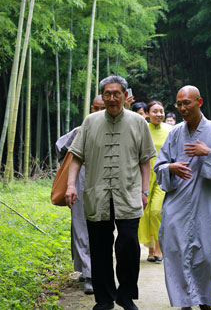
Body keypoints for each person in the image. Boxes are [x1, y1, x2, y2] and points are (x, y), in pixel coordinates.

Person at [65, 75, 157, 310]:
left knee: (128, 245)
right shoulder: (90, 121)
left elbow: (145, 160)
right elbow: (76, 156)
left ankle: (125, 296)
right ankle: (104, 299)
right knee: (99, 247)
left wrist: (145, 190)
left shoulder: (138, 122)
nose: (112, 98)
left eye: (117, 93)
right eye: (108, 94)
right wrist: (71, 185)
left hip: (128, 194)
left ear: (126, 96)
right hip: (97, 194)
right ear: (103, 97)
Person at [154, 85, 211, 310]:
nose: (182, 108)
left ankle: (205, 302)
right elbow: (159, 167)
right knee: (176, 254)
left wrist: (208, 154)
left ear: (199, 102)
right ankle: (184, 303)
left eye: (187, 103)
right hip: (177, 205)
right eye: (179, 104)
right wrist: (170, 167)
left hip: (205, 204)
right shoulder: (175, 133)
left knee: (208, 255)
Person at [55, 95, 105, 295]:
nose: (100, 111)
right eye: (97, 107)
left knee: (101, 229)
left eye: (104, 108)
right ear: (92, 107)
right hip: (79, 185)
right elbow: (61, 147)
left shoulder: (114, 131)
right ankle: (89, 274)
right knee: (81, 228)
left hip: (104, 186)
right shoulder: (80, 130)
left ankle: (92, 270)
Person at [138, 100, 171, 262]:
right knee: (144, 213)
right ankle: (150, 250)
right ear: (147, 113)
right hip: (144, 176)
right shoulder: (142, 128)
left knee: (156, 211)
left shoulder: (170, 130)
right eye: (155, 111)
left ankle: (159, 248)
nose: (159, 114)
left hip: (163, 176)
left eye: (161, 111)